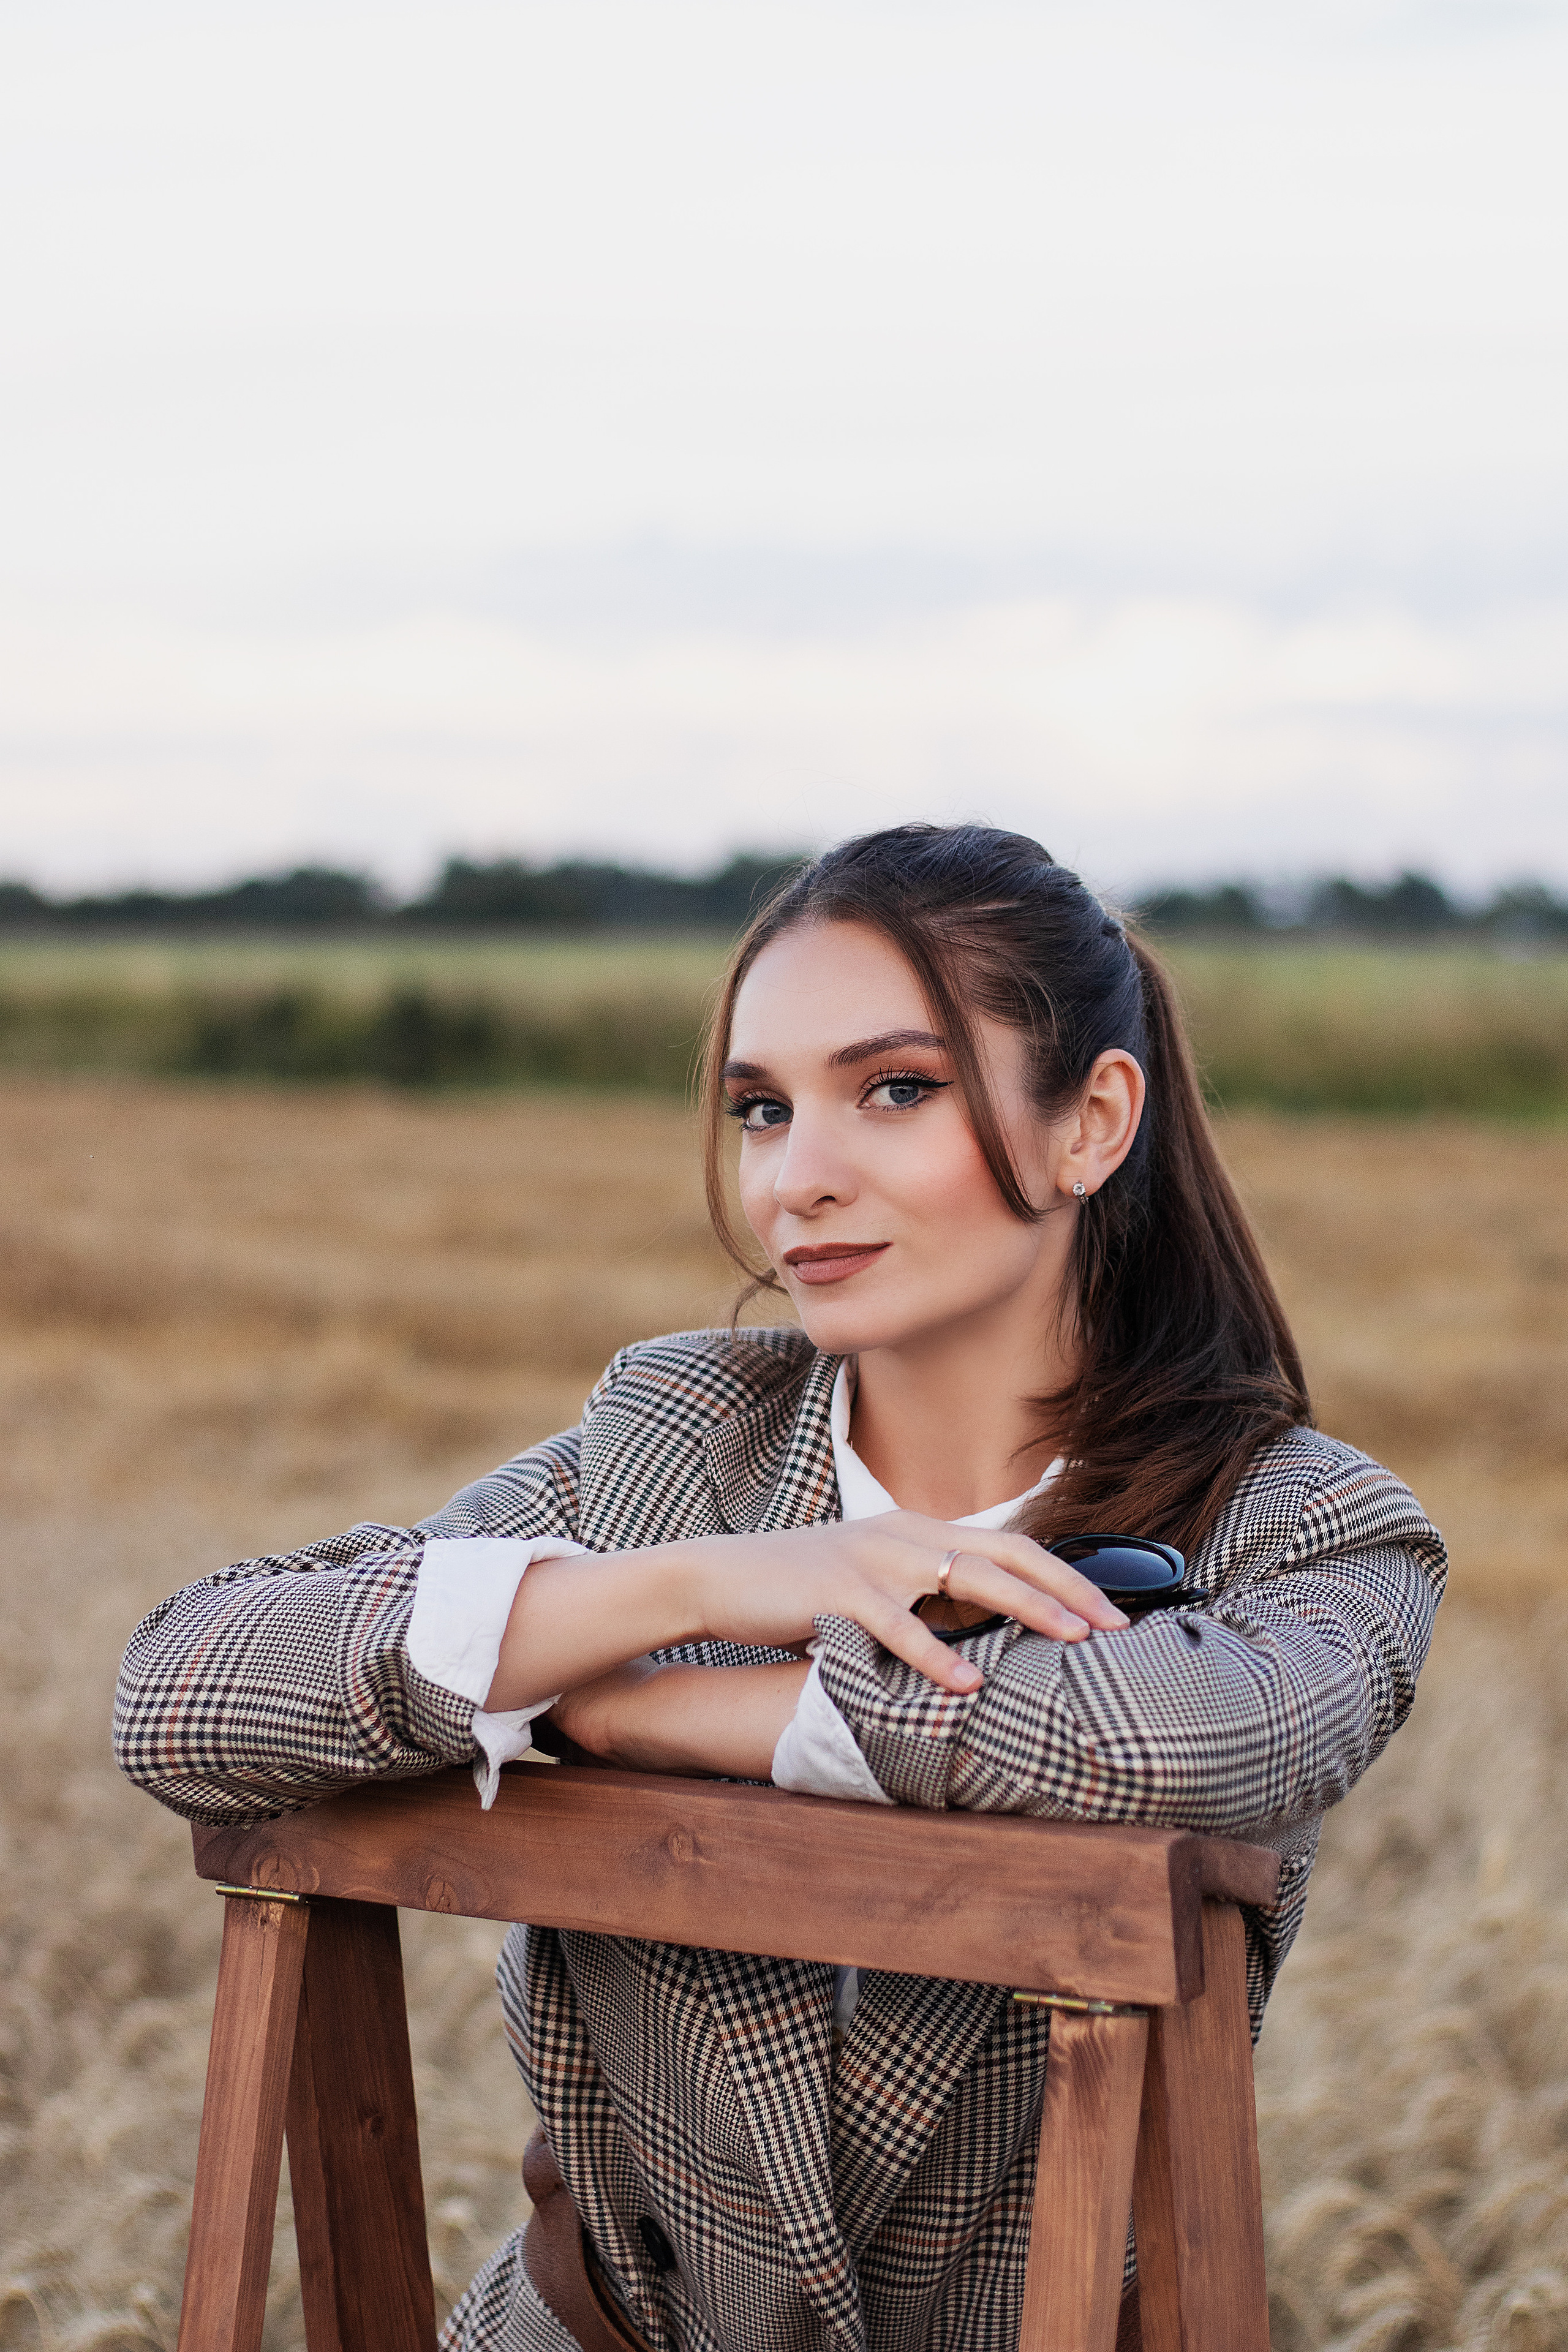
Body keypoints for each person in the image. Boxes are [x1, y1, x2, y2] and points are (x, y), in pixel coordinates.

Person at [116, 823, 1446, 2352]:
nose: (796, 1182)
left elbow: (1166, 1740)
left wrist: (633, 1712)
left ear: (1090, 1123)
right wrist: (698, 1581)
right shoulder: (669, 1444)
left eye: (894, 1089)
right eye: (759, 1109)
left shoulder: (1301, 1522)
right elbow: (183, 1686)